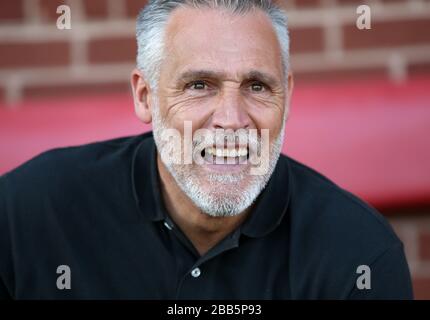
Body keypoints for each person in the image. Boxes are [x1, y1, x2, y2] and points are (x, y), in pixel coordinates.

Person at [0, 0, 413, 299]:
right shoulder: (27, 214)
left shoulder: (359, 255)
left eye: (256, 86)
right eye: (199, 85)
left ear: (286, 96)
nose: (231, 120)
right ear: (145, 96)